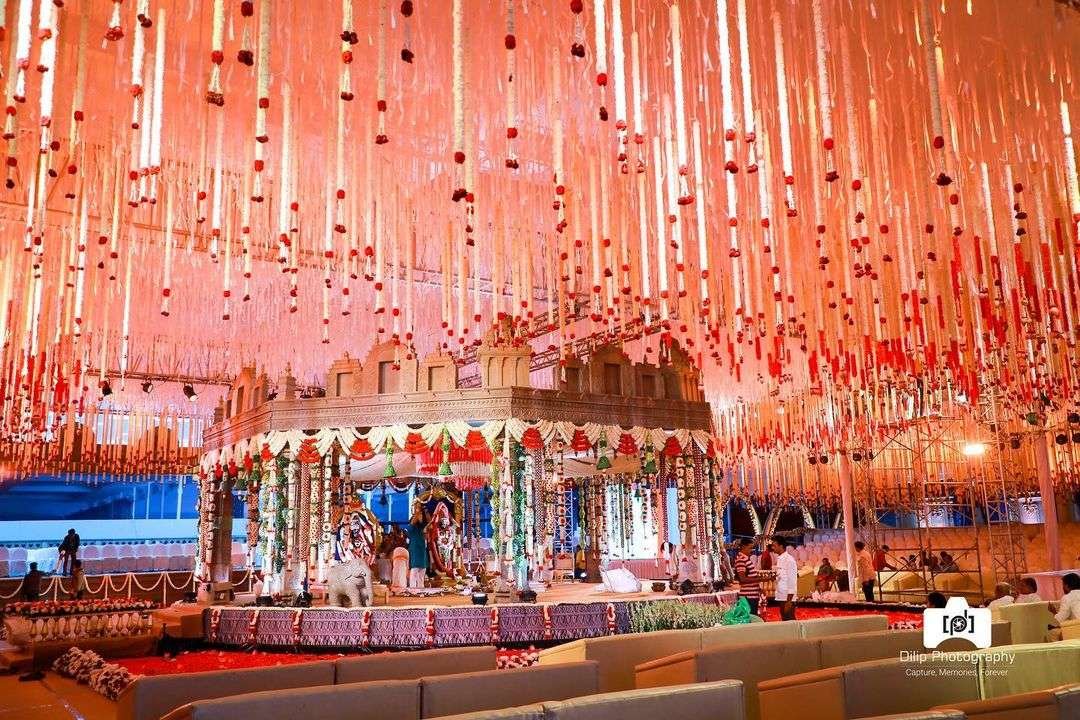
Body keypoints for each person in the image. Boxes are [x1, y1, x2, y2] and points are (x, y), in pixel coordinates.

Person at [771, 536, 797, 621]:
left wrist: (789, 601)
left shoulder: (789, 560)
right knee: (785, 621)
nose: (772, 548)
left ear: (781, 546)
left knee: (790, 621)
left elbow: (792, 581)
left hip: (787, 598)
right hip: (782, 596)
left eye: (774, 545)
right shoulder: (780, 559)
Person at [734, 538, 761, 615]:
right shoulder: (741, 560)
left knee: (753, 617)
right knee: (750, 618)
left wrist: (759, 588)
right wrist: (761, 579)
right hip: (748, 597)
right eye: (750, 548)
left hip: (752, 595)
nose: (751, 550)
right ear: (743, 547)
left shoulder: (746, 559)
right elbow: (743, 579)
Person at [406, 503, 428, 589]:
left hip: (422, 549)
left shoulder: (423, 528)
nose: (420, 517)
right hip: (415, 548)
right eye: (419, 516)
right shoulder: (411, 528)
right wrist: (417, 511)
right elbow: (414, 521)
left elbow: (429, 522)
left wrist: (425, 510)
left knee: (423, 569)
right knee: (415, 569)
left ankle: (420, 588)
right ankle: (413, 589)